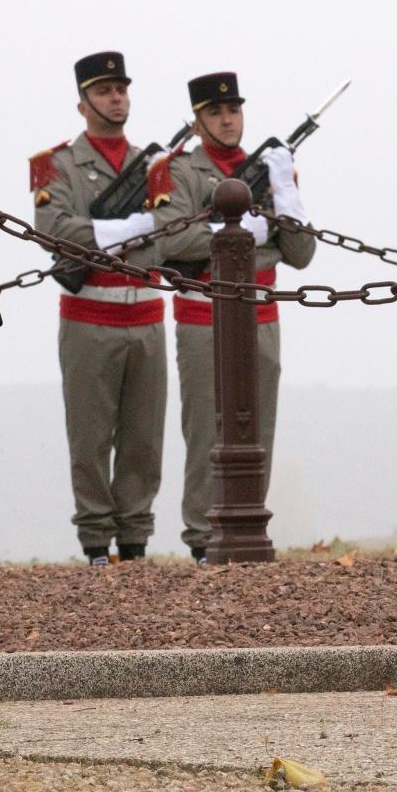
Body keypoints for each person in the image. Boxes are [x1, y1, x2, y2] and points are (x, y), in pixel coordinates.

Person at [149, 71, 315, 564]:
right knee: (207, 429)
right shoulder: (176, 171)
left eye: (234, 110)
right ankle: (203, 537)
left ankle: (248, 528)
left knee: (259, 428)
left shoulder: (269, 169)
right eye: (216, 112)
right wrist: (248, 235)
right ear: (197, 121)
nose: (227, 120)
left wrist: (285, 193)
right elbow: (174, 240)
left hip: (261, 315)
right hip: (204, 316)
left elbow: (301, 253)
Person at [32, 51, 167, 566]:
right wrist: (123, 230)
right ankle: (94, 541)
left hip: (146, 315)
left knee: (143, 440)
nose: (116, 99)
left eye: (121, 90)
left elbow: (172, 234)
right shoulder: (57, 164)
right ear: (82, 103)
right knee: (90, 438)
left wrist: (124, 233)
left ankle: (135, 539)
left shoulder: (156, 166)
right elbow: (54, 229)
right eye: (105, 91)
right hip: (89, 316)